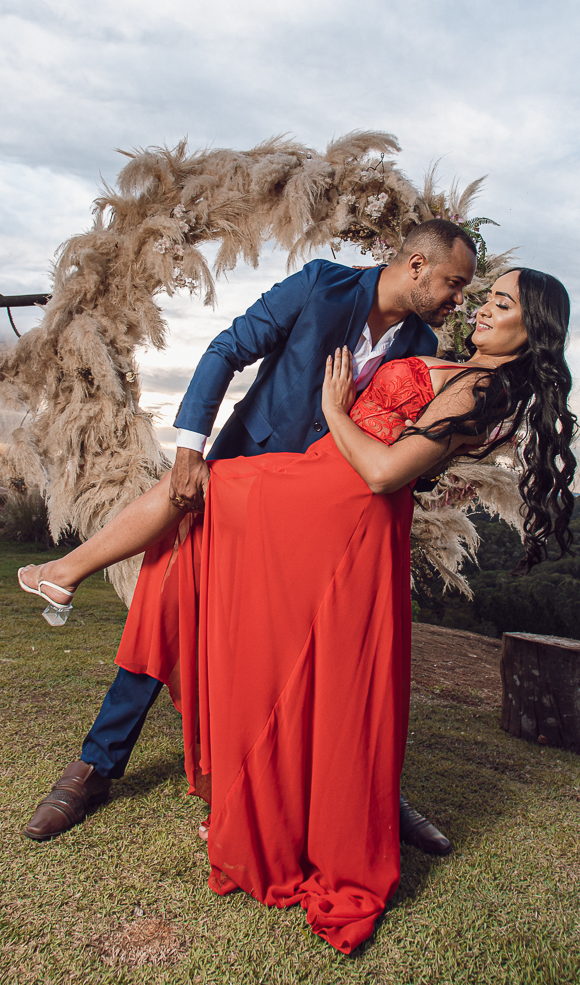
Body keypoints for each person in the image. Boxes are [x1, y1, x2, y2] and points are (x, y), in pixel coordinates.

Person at [18, 265, 578, 953]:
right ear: (416, 267)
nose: (471, 305)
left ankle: (65, 576)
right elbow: (231, 351)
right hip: (308, 481)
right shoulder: (332, 293)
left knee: (206, 535)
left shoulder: (472, 374)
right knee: (194, 554)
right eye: (467, 288)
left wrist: (340, 410)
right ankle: (123, 761)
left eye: (494, 300)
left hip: (334, 502)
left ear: (534, 325)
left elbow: (388, 468)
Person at [19, 220, 478, 850]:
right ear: (418, 264)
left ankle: (373, 791)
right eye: (454, 283)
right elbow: (226, 349)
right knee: (168, 603)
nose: (458, 300)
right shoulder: (322, 284)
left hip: (324, 516)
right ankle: (95, 767)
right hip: (242, 480)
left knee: (328, 652)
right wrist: (190, 450)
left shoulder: (423, 342)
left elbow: (397, 443)